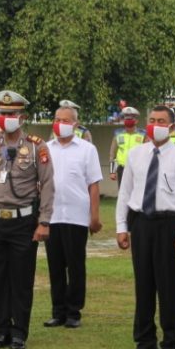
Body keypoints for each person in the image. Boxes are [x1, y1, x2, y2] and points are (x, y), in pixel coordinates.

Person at [0, 90, 55, 349]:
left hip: (23, 222)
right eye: (2, 113)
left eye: (12, 114)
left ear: (23, 117)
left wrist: (44, 221)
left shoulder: (36, 146)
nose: (6, 118)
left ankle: (19, 333)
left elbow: (48, 184)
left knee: (21, 280)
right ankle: (1, 331)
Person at [115, 105, 175, 349]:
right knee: (144, 283)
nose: (155, 124)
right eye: (151, 120)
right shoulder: (136, 154)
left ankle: (170, 340)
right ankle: (145, 339)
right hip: (142, 222)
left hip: (169, 223)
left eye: (161, 121)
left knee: (169, 284)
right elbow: (125, 192)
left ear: (171, 127)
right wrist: (121, 227)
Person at [43, 103, 103, 329]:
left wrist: (94, 217)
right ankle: (58, 311)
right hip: (53, 215)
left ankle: (74, 312)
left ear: (75, 124)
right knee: (55, 265)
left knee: (76, 266)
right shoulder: (46, 149)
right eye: (58, 119)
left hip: (77, 216)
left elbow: (94, 185)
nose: (61, 124)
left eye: (66, 120)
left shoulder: (87, 150)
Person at [108, 106, 144, 184]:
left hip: (138, 169)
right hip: (122, 169)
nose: (128, 121)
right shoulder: (118, 134)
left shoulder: (143, 134)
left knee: (137, 193)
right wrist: (112, 171)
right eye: (126, 119)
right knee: (122, 193)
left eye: (131, 119)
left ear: (136, 121)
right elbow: (112, 154)